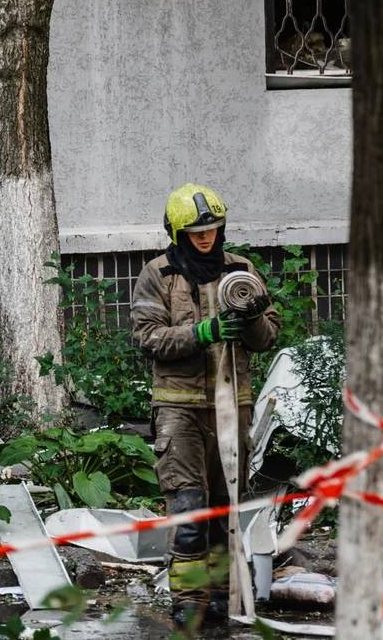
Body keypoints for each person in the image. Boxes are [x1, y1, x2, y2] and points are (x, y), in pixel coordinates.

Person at [130, 183, 279, 628]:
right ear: (177, 232)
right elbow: (146, 337)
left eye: (212, 228)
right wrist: (202, 334)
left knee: (223, 507)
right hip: (180, 410)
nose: (206, 237)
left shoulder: (242, 270)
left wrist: (250, 315)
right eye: (196, 230)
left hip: (234, 404)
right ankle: (189, 601)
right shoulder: (158, 274)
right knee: (190, 508)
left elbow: (269, 336)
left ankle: (221, 596)